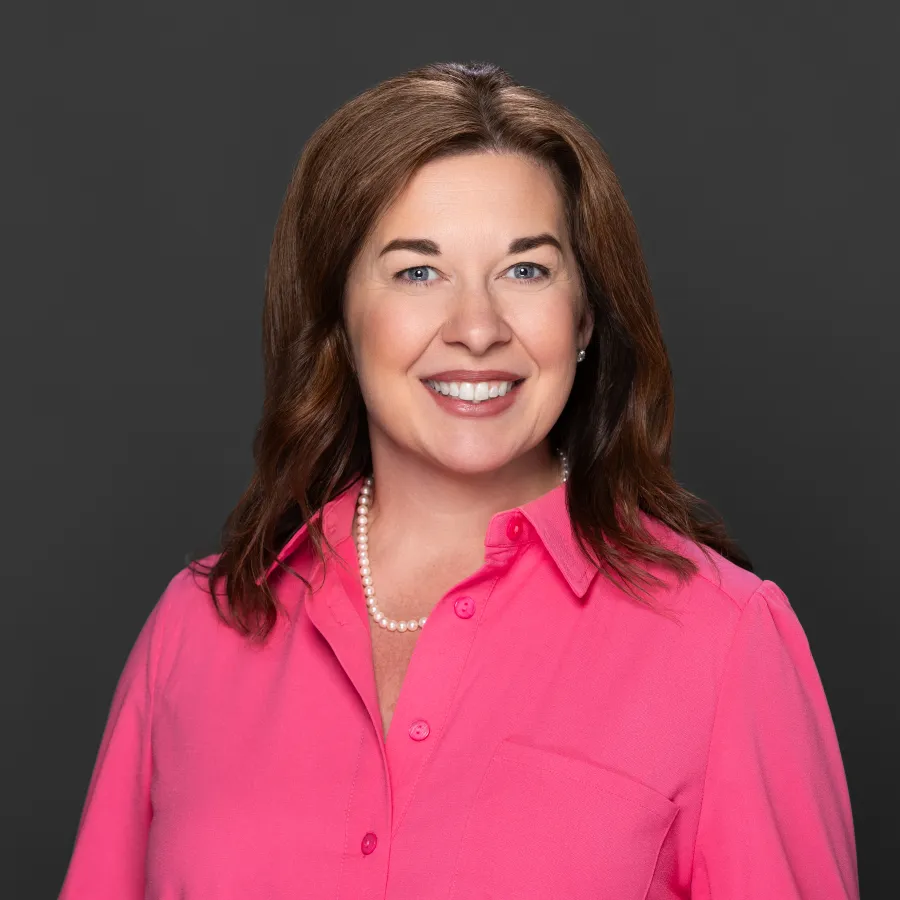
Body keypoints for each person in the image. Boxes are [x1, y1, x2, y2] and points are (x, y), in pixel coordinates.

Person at [58, 61, 859, 899]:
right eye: (417, 271)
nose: (477, 329)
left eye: (526, 270)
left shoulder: (724, 642)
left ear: (585, 316)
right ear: (339, 316)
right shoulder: (197, 631)